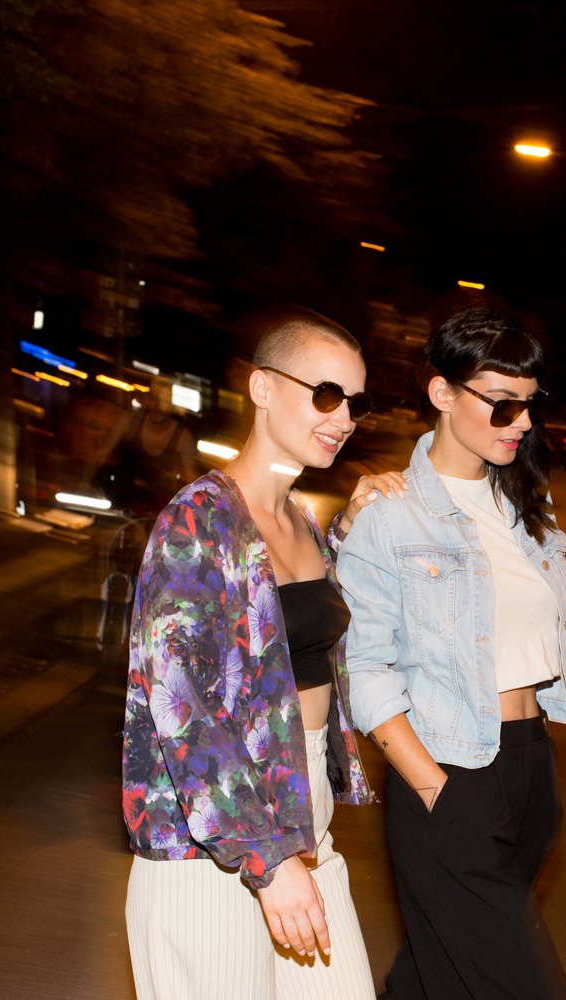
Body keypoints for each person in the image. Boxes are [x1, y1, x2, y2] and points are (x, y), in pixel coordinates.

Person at [122, 309, 404, 999]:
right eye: (325, 393)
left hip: (303, 831)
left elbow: (282, 634)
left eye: (355, 402)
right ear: (262, 389)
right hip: (209, 856)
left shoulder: (301, 520)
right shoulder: (197, 521)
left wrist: (350, 530)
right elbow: (180, 708)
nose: (342, 418)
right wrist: (268, 860)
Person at [336, 307, 566, 1000]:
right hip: (448, 771)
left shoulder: (528, 506)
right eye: (502, 405)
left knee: (439, 972)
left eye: (527, 406)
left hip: (530, 764)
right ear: (442, 393)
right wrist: (433, 790)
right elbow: (363, 666)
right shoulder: (390, 512)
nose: (522, 424)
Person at [90, 375, 199, 515]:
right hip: (120, 505)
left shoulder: (183, 438)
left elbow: (192, 483)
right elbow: (100, 456)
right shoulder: (130, 422)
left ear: (172, 406)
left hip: (159, 513)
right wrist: (86, 485)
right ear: (147, 400)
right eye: (154, 399)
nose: (158, 408)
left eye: (163, 402)